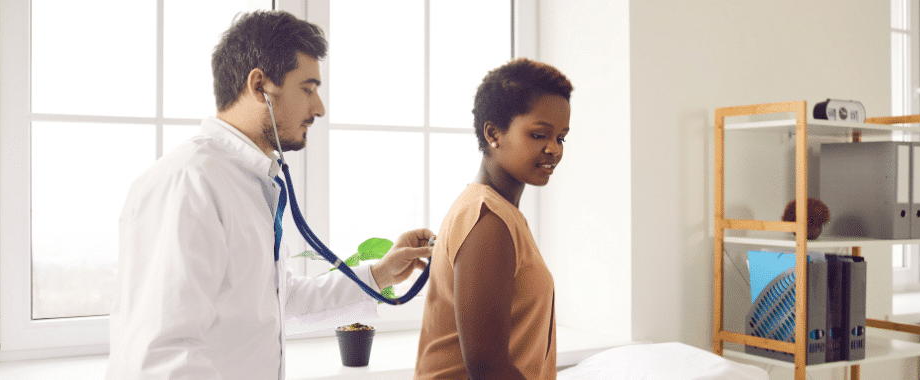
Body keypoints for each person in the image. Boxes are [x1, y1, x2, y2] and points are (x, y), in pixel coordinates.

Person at [106, 11, 433, 380]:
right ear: (260, 85)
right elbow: (159, 357)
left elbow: (279, 303)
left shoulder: (247, 182)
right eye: (308, 89)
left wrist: (378, 274)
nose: (319, 108)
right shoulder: (189, 182)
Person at [414, 58, 573, 379]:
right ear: (493, 133)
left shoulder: (501, 213)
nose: (553, 149)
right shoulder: (487, 218)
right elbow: (488, 369)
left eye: (561, 137)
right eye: (539, 134)